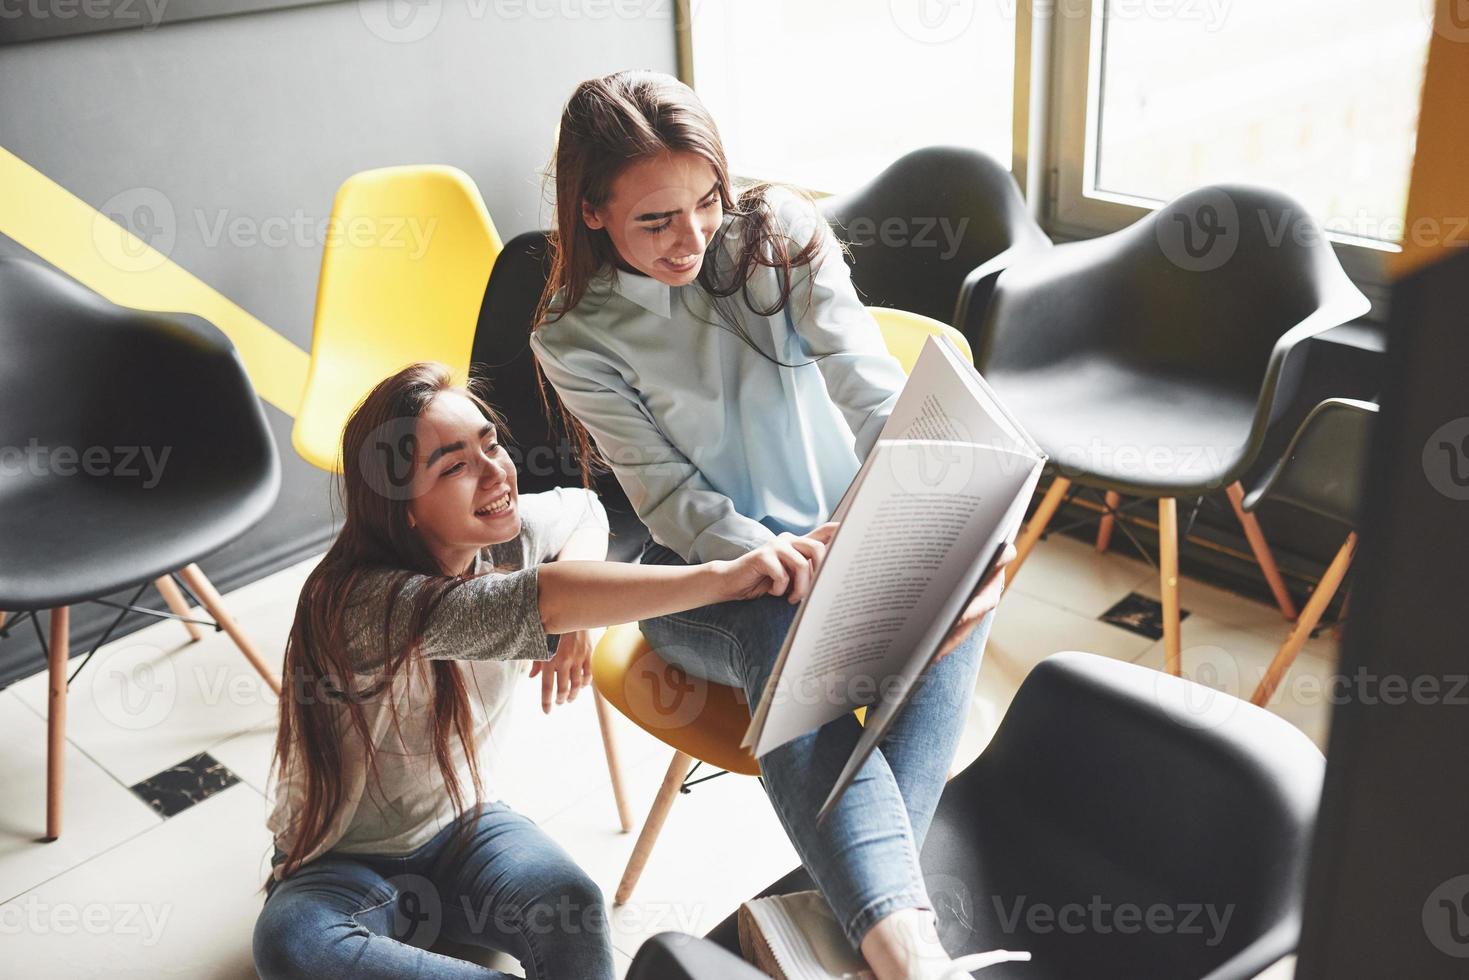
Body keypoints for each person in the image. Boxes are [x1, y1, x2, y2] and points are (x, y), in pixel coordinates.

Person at [529, 70, 1014, 980]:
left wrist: (924, 510)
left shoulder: (779, 236)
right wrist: (771, 559)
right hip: (704, 588)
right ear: (591, 212)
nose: (692, 237)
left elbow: (869, 386)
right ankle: (897, 945)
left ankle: (877, 945)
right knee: (784, 624)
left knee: (965, 572)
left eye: (707, 200)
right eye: (655, 220)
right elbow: (671, 501)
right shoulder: (572, 336)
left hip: (848, 540)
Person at [253, 362, 829, 980]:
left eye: (490, 444)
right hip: (339, 865)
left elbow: (583, 511)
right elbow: (534, 599)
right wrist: (721, 579)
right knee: (292, 943)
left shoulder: (502, 538)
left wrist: (579, 625)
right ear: (403, 511)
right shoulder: (357, 604)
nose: (495, 472)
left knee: (573, 905)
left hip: (465, 827)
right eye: (454, 466)